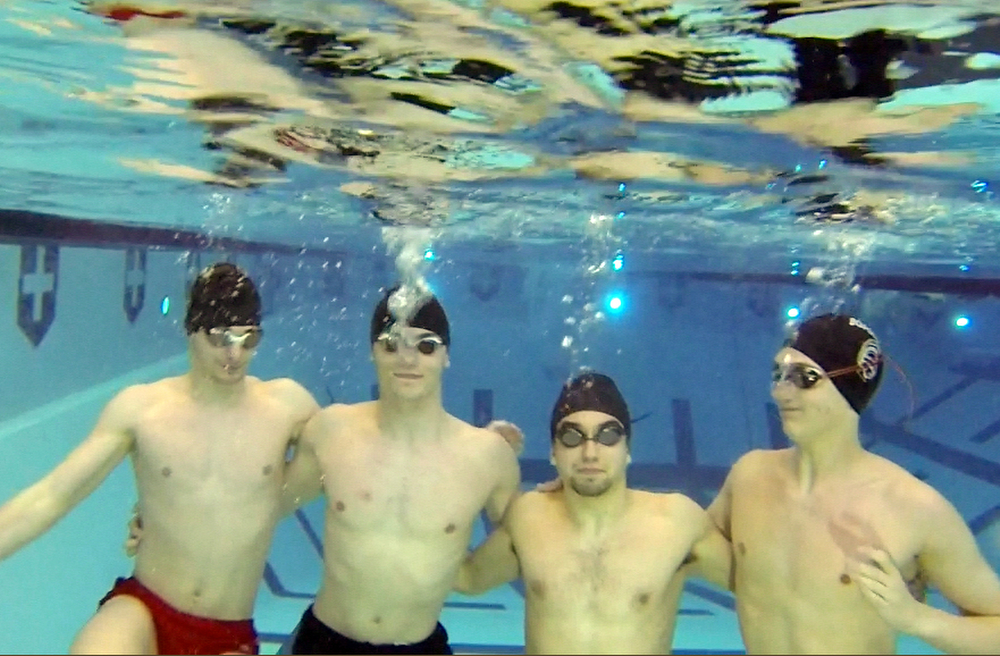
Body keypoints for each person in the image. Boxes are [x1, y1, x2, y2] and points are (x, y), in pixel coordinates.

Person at [0, 262, 320, 655]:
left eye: (248, 339)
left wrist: (264, 504)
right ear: (191, 331)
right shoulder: (142, 409)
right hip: (144, 610)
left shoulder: (287, 406)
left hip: (227, 630)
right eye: (220, 338)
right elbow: (52, 495)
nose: (234, 354)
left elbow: (349, 461)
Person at [707, 313, 1000, 654]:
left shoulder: (914, 507)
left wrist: (916, 618)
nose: (782, 392)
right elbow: (686, 549)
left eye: (806, 378)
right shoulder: (749, 477)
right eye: (779, 375)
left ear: (852, 385)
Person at [280, 286, 522, 654]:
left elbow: (528, 541)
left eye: (425, 346)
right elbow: (262, 505)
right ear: (372, 351)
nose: (407, 360)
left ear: (446, 356)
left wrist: (467, 576)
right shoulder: (332, 431)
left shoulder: (487, 457)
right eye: (391, 344)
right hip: (325, 642)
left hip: (419, 645)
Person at [453, 372, 732, 654]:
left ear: (628, 449)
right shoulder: (529, 517)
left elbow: (760, 585)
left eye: (608, 436)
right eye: (572, 437)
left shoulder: (676, 521)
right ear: (553, 452)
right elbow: (467, 578)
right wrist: (478, 462)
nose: (590, 453)